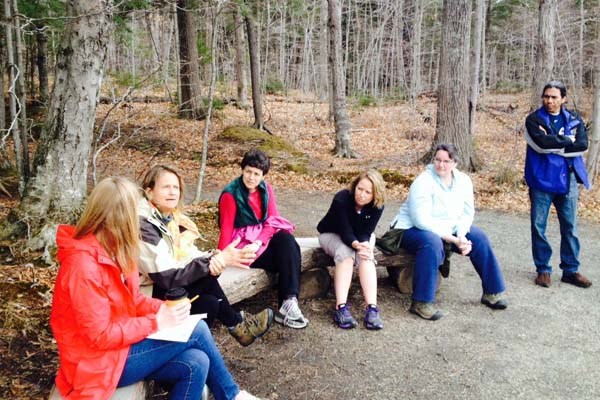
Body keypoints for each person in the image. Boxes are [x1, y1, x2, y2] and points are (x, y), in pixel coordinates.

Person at [50, 176, 260, 400]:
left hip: (120, 348)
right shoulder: (83, 266)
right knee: (197, 330)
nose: (140, 220)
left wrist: (163, 309)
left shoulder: (118, 249)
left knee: (197, 362)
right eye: (135, 214)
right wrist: (157, 322)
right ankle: (232, 395)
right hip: (95, 363)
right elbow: (99, 336)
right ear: (117, 218)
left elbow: (133, 301)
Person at [138, 165, 273, 347]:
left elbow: (184, 253)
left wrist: (213, 256)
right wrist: (213, 262)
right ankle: (237, 325)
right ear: (149, 192)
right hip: (145, 293)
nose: (172, 192)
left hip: (162, 282)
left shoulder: (168, 218)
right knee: (207, 276)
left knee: (209, 303)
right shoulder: (144, 224)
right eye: (166, 187)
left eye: (176, 187)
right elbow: (166, 277)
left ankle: (195, 352)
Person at [390, 144, 507, 321]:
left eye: (446, 161)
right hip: (410, 229)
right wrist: (453, 239)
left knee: (479, 238)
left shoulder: (463, 181)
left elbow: (467, 213)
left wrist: (461, 235)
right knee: (432, 242)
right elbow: (421, 220)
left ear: (455, 163)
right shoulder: (423, 181)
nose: (441, 165)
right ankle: (421, 302)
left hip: (449, 229)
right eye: (438, 160)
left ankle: (492, 292)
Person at [218, 149, 308, 329]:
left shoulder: (266, 189)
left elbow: (273, 220)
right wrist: (221, 257)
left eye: (256, 174)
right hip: (242, 243)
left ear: (263, 175)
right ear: (242, 170)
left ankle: (288, 302)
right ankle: (288, 305)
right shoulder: (230, 194)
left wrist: (259, 241)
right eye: (248, 171)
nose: (251, 177)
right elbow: (226, 229)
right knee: (289, 256)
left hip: (260, 237)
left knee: (287, 240)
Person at [525, 80, 592, 289]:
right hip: (541, 179)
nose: (549, 101)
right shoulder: (534, 119)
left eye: (554, 97)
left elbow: (582, 145)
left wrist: (556, 140)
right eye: (546, 96)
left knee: (570, 226)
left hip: (568, 179)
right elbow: (542, 145)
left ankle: (570, 270)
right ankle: (543, 269)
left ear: (563, 99)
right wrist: (566, 140)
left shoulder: (574, 119)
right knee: (539, 226)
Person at [317, 170, 386, 330]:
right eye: (360, 189)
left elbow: (366, 232)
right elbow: (345, 230)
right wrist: (356, 245)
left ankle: (372, 308)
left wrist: (363, 246)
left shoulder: (378, 206)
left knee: (366, 256)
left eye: (368, 192)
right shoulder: (342, 198)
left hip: (359, 236)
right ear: (355, 186)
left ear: (375, 195)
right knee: (345, 252)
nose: (362, 194)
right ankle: (341, 308)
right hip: (332, 233)